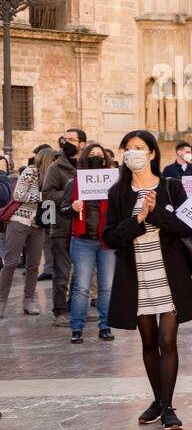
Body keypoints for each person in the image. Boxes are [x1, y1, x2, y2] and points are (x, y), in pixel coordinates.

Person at [102, 130, 192, 430]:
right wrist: (138, 220)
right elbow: (110, 238)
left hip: (167, 273)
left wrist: (155, 212)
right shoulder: (117, 193)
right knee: (148, 342)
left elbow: (185, 227)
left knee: (167, 340)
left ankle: (169, 407)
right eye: (128, 148)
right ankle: (157, 400)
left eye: (140, 148)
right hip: (137, 274)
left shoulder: (171, 187)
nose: (133, 152)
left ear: (153, 154)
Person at [62, 142, 116, 343]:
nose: (96, 157)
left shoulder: (113, 182)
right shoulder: (73, 182)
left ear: (105, 159)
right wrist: (73, 208)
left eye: (99, 154)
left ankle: (105, 326)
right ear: (84, 157)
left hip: (107, 242)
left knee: (107, 287)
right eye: (92, 154)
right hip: (83, 241)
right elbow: (63, 210)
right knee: (81, 287)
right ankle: (77, 328)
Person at [0, 148, 54, 317]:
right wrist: (43, 195)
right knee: (11, 263)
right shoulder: (31, 172)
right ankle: (1, 301)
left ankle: (29, 301)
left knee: (33, 265)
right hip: (19, 221)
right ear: (47, 160)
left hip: (38, 225)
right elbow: (18, 194)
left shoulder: (52, 176)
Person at [42, 128, 85, 325]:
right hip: (62, 226)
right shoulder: (56, 167)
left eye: (71, 139)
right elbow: (48, 194)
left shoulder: (87, 167)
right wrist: (72, 196)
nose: (66, 142)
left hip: (84, 227)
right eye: (64, 139)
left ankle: (74, 307)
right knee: (61, 272)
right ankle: (59, 311)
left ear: (81, 144)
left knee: (81, 272)